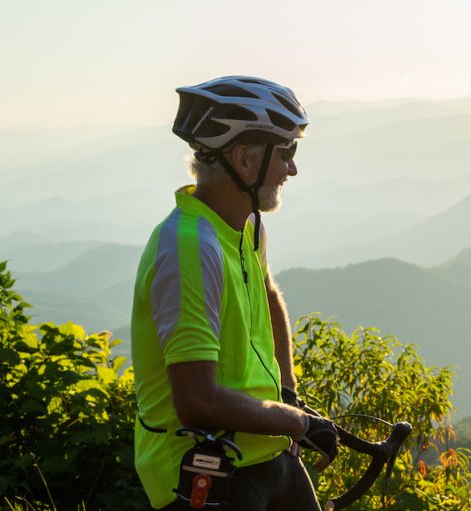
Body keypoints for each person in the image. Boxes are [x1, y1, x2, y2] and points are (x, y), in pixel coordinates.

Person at [131, 76, 340, 510]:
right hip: (205, 466)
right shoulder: (189, 247)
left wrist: (287, 395)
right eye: (286, 152)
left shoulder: (245, 227)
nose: (292, 169)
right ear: (244, 159)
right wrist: (294, 422)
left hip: (264, 449)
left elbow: (267, 294)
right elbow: (197, 400)